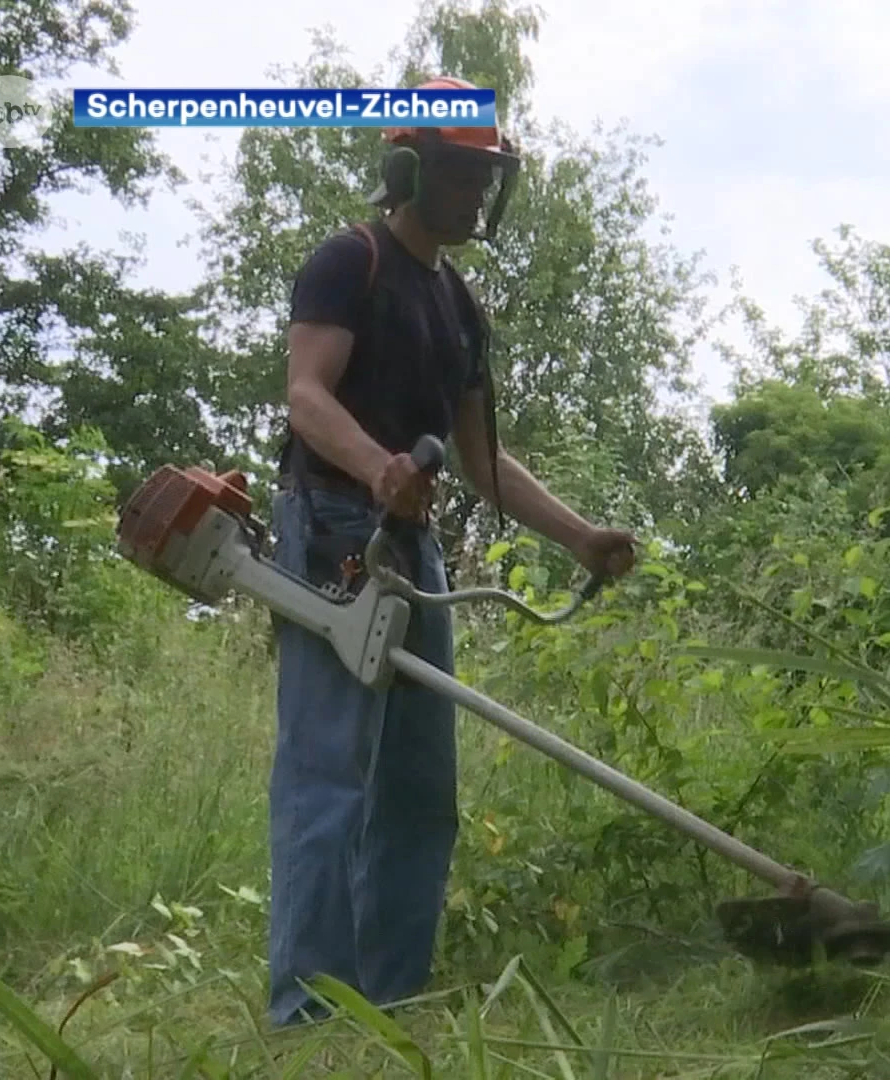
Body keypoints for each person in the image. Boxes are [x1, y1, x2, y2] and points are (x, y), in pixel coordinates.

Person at [265, 74, 638, 1028]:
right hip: (332, 534)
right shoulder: (350, 262)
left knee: (422, 789)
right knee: (328, 775)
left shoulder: (462, 307)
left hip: (412, 548)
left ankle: (387, 1002)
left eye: (488, 176)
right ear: (409, 169)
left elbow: (484, 463)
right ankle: (306, 1014)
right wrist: (380, 466)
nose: (479, 194)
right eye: (464, 175)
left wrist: (582, 538)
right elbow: (307, 397)